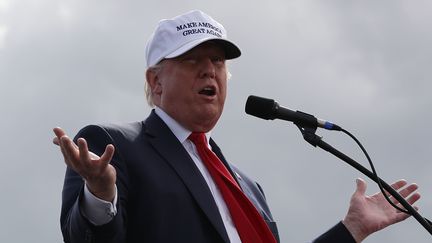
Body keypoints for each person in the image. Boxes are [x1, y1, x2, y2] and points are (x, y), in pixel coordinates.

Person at [53, 10, 421, 243]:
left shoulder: (248, 187)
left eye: (216, 60)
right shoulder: (114, 145)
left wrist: (352, 229)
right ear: (156, 81)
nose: (209, 69)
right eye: (191, 59)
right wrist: (100, 196)